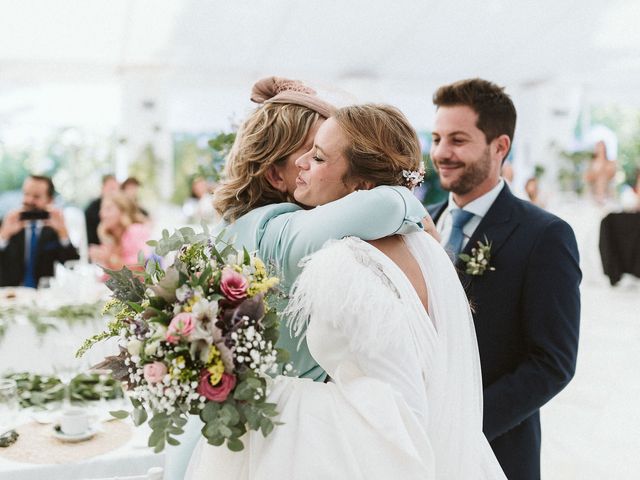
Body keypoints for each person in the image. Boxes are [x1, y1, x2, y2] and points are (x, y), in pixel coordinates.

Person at [186, 104, 506, 479]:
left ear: (361, 186)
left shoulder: (343, 262)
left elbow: (398, 408)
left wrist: (275, 392)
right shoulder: (424, 245)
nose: (305, 162)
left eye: (318, 155)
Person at [166, 77, 430, 480]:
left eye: (323, 155)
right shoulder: (282, 232)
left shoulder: (234, 226)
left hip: (215, 433)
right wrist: (399, 180)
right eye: (313, 153)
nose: (314, 164)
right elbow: (387, 202)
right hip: (280, 440)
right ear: (276, 176)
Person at [427, 78, 581, 479]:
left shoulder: (544, 236)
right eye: (437, 138)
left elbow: (552, 363)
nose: (442, 152)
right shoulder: (417, 221)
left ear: (500, 147)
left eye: (458, 140)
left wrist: (464, 427)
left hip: (494, 450)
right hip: (415, 444)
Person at [0, 175, 80, 287]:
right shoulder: (7, 222)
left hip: (43, 296)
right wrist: (3, 236)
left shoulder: (54, 228)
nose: (29, 200)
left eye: (36, 196)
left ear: (49, 200)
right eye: (26, 194)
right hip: (10, 294)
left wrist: (63, 234)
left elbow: (72, 264)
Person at [88, 192, 151, 272]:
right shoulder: (112, 235)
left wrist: (109, 258)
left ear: (123, 211)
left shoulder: (135, 230)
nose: (101, 213)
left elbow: (139, 268)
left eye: (108, 209)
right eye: (102, 209)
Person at [85, 174, 119, 246]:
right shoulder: (91, 210)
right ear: (103, 188)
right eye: (111, 188)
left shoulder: (121, 207)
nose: (113, 192)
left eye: (116, 188)